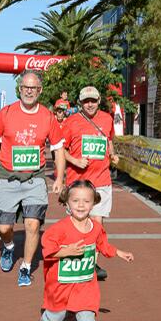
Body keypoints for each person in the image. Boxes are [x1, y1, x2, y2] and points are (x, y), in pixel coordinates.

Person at [32, 180, 133, 321]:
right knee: (55, 318)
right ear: (67, 203)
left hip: (85, 286)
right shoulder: (59, 229)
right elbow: (46, 250)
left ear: (93, 203)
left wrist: (118, 252)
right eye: (75, 200)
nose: (80, 205)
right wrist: (65, 251)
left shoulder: (95, 228)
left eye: (86, 201)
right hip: (60, 286)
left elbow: (102, 245)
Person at [0, 70, 65, 287]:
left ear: (40, 90)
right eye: (25, 87)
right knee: (4, 228)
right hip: (7, 177)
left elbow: (58, 149)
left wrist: (59, 178)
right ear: (20, 89)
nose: (29, 91)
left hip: (35, 178)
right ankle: (9, 247)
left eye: (33, 88)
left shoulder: (48, 117)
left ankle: (26, 267)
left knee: (32, 224)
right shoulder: (6, 113)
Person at [61, 86, 120, 280]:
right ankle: (76, 257)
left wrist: (112, 154)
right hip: (78, 182)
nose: (90, 104)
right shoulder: (71, 122)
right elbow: (61, 149)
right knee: (78, 222)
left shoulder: (107, 119)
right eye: (86, 101)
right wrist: (75, 161)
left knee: (97, 222)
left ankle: (91, 264)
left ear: (99, 100)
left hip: (102, 180)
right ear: (80, 102)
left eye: (93, 100)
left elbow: (108, 140)